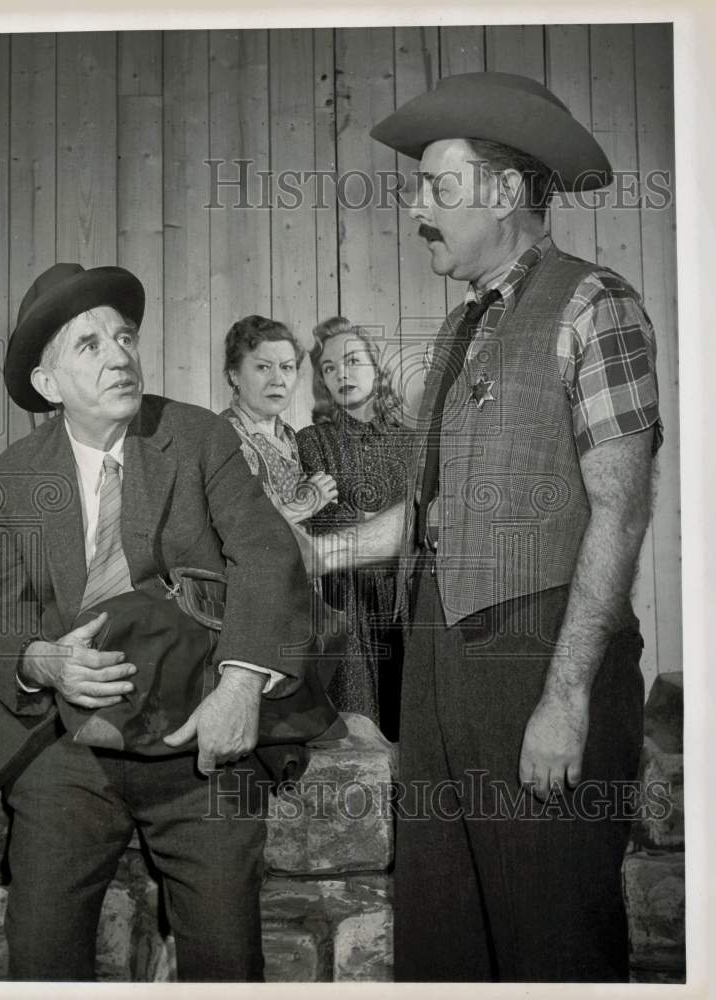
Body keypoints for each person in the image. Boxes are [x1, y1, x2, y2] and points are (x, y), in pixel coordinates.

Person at [315, 72, 662, 981]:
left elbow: (621, 510)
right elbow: (424, 516)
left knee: (551, 942)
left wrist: (566, 696)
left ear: (503, 192)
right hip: (437, 675)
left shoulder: (595, 306)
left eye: (438, 187)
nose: (419, 210)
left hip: (536, 665)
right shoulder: (456, 330)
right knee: (444, 941)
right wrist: (309, 550)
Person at [0, 263, 321, 982]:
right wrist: (43, 661)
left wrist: (241, 687)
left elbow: (267, 557)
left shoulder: (194, 437)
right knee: (41, 957)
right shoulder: (11, 480)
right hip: (69, 754)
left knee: (225, 959)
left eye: (123, 337)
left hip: (199, 739)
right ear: (48, 383)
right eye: (88, 345)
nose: (120, 355)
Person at [296, 318, 410, 741]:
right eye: (329, 368)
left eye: (352, 360)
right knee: (345, 583)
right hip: (347, 590)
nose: (341, 374)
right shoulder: (313, 441)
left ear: (376, 367)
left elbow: (417, 529)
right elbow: (326, 524)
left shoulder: (413, 444)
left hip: (403, 592)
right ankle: (359, 726)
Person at [219, 314, 337, 523]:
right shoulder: (223, 437)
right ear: (234, 374)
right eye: (263, 367)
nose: (278, 380)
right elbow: (239, 531)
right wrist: (305, 505)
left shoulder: (288, 434)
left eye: (286, 367)